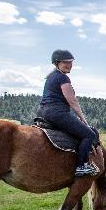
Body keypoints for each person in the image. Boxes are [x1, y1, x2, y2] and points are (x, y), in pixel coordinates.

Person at [37, 49, 100, 177]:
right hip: (58, 112)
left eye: (70, 62)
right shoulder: (63, 77)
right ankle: (81, 167)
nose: (69, 65)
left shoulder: (51, 77)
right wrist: (83, 120)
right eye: (65, 62)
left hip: (44, 112)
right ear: (57, 63)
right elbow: (72, 101)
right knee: (89, 134)